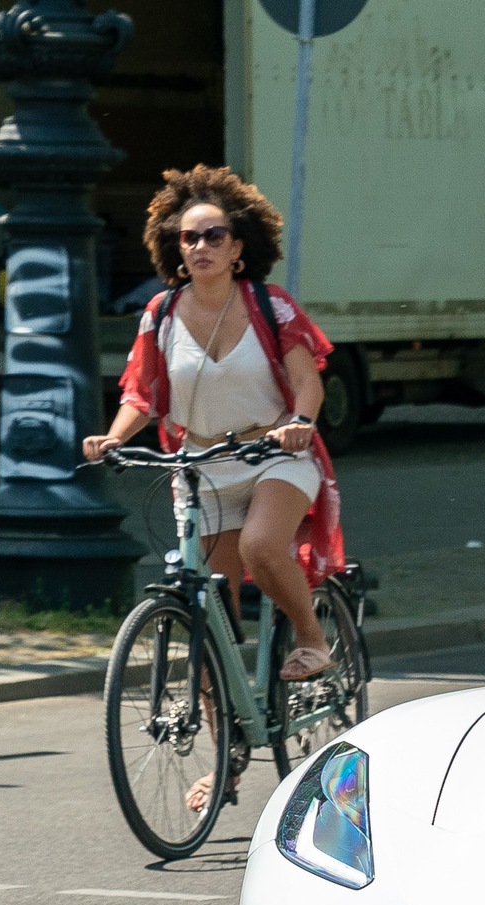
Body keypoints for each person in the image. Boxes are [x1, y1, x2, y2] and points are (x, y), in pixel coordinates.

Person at [83, 165, 344, 698]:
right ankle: (225, 760)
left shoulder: (270, 306)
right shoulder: (160, 314)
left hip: (273, 455)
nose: (201, 245)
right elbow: (143, 395)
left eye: (214, 235)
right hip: (201, 468)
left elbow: (307, 384)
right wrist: (113, 437)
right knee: (210, 616)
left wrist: (299, 423)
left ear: (236, 248)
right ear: (175, 248)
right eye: (189, 237)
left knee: (262, 547)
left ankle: (312, 639)